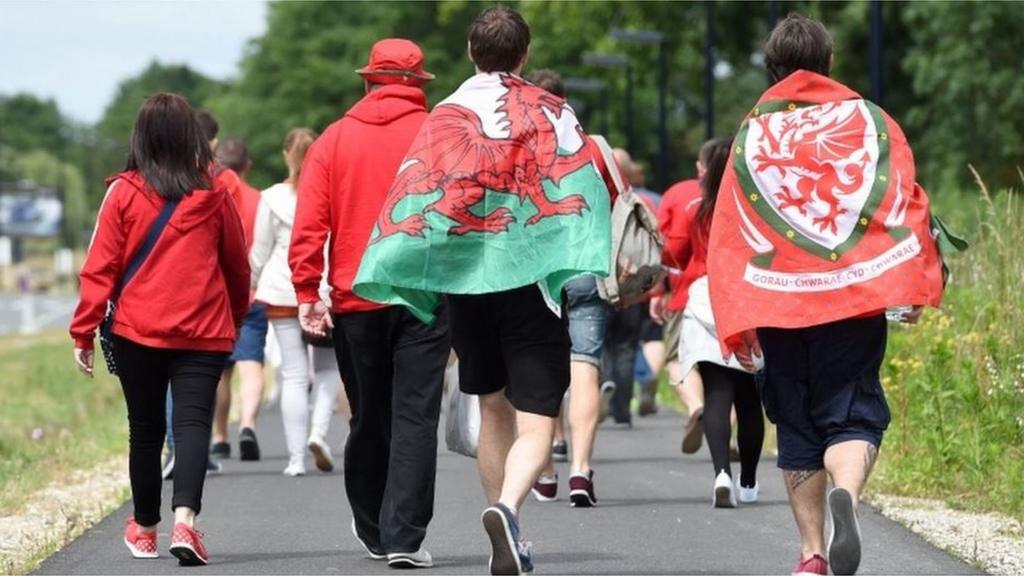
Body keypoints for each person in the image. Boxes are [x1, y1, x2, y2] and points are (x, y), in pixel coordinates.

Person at [351, 8, 611, 574]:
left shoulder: (447, 110)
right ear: (523, 54)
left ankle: (500, 516)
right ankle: (509, 512)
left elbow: (422, 185)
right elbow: (584, 181)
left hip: (469, 287)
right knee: (538, 418)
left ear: (472, 51)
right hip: (529, 284)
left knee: (493, 407)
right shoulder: (553, 110)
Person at [706, 14, 945, 576]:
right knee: (853, 413)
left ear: (772, 67)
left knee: (796, 424)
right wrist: (912, 279)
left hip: (778, 304)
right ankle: (849, 495)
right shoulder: (870, 119)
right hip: (852, 299)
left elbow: (733, 228)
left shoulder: (752, 131)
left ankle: (812, 554)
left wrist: (735, 317)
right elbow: (901, 203)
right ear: (830, 63)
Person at [288, 38, 450, 569]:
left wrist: (307, 291)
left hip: (357, 298)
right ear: (417, 85)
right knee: (415, 417)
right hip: (427, 295)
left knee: (369, 415)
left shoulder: (332, 141)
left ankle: (370, 523)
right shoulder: (439, 135)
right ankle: (405, 536)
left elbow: (311, 224)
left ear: (367, 82)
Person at [70, 93, 249, 565]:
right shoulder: (214, 194)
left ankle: (146, 529)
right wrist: (232, 314)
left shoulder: (124, 192)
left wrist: (82, 330)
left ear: (141, 136)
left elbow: (100, 268)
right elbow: (236, 266)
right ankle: (186, 523)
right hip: (204, 331)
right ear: (191, 136)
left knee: (145, 431)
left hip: (136, 331)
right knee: (192, 426)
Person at [526, 68, 618, 507]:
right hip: (585, 266)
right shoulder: (593, 145)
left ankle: (544, 470)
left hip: (534, 272)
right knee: (585, 366)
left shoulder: (521, 141)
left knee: (537, 368)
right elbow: (617, 200)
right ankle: (581, 469)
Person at [675, 137, 765, 508]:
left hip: (705, 302)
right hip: (748, 299)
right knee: (749, 398)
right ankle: (748, 481)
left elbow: (676, 254)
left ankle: (720, 474)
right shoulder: (757, 209)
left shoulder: (697, 208)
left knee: (717, 392)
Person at [250, 127, 342, 476]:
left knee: (292, 374)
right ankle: (318, 432)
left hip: (280, 290)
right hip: (323, 289)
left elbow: (260, 251)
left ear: (286, 154)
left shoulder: (271, 198)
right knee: (328, 369)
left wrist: (255, 281)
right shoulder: (329, 192)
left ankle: (294, 459)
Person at [210, 136, 267, 463]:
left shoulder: (210, 195)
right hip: (254, 292)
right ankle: (248, 424)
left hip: (217, 294)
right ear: (247, 165)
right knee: (251, 365)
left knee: (221, 371)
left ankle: (220, 437)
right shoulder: (259, 200)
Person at [651, 153, 708, 453]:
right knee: (729, 370)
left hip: (687, 291)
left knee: (677, 359)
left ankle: (697, 406)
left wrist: (659, 289)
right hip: (731, 295)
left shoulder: (679, 192)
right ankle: (728, 432)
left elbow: (669, 248)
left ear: (700, 167)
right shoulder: (741, 192)